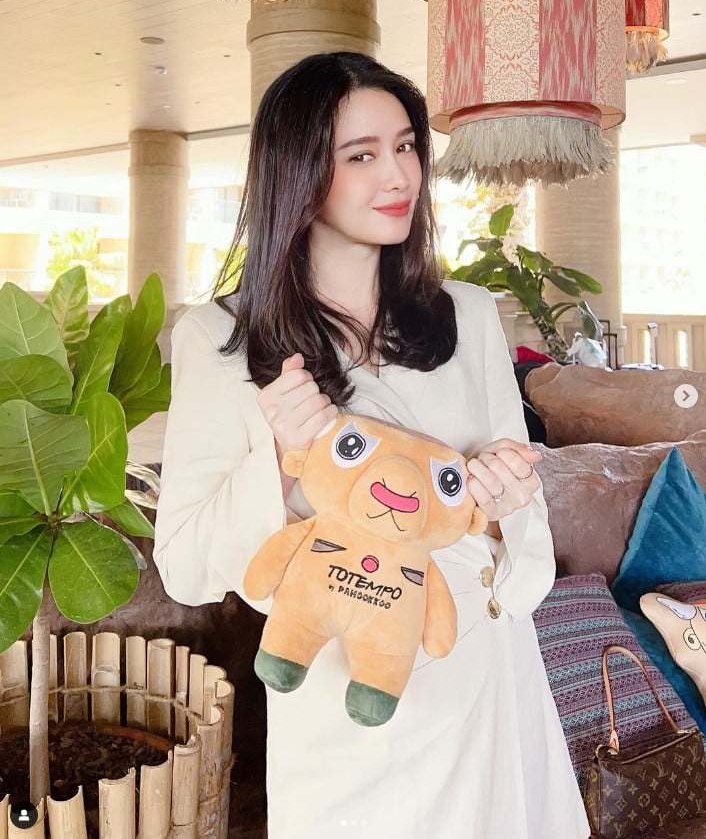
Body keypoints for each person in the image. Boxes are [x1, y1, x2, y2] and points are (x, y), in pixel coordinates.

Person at [154, 52, 590, 839]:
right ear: (298, 174)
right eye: (361, 155)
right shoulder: (218, 337)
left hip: (489, 685)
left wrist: (508, 503)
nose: (398, 175)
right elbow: (185, 564)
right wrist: (280, 462)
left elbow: (513, 536)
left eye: (406, 146)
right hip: (349, 711)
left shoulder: (468, 314)